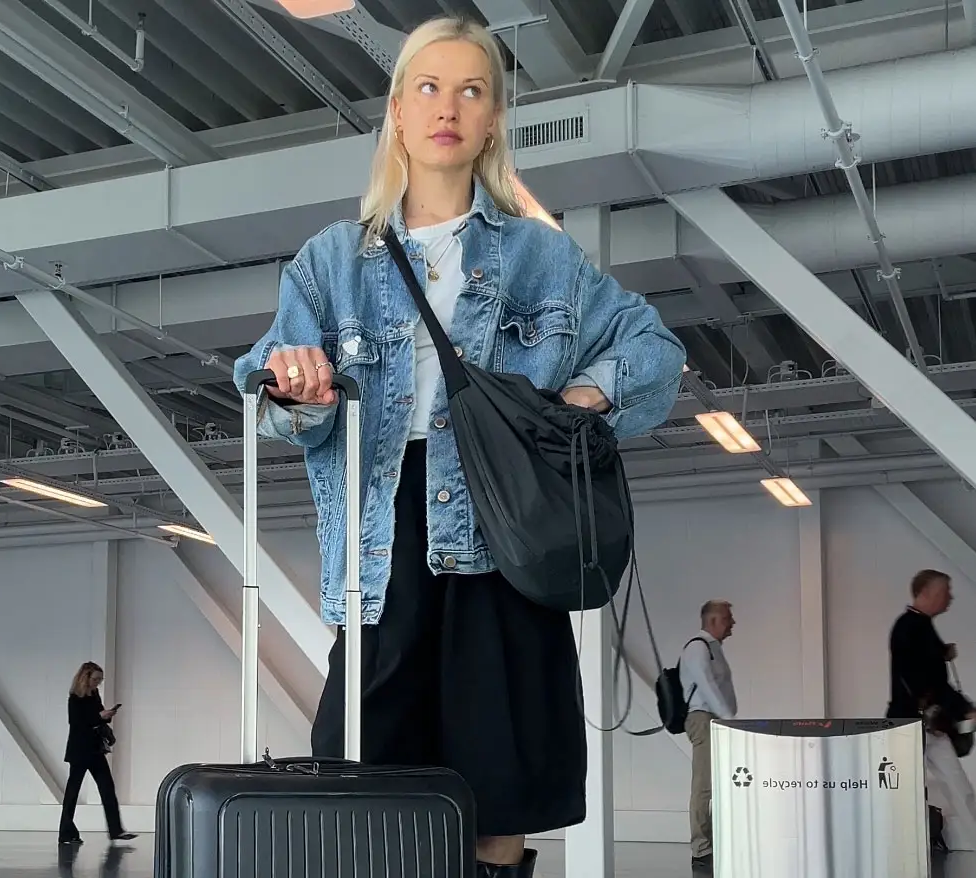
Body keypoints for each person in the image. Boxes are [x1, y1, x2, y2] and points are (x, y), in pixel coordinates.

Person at [232, 16, 685, 875]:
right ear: (398, 114)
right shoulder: (329, 262)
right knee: (358, 806)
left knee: (494, 813)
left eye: (472, 91)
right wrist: (296, 385)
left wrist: (574, 403)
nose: (449, 107)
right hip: (381, 550)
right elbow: (270, 394)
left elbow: (656, 353)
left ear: (491, 121)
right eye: (429, 88)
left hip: (502, 542)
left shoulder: (542, 260)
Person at [887, 569, 976, 851]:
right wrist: (963, 708)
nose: (949, 598)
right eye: (944, 592)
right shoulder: (910, 627)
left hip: (924, 723)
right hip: (911, 725)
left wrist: (941, 653)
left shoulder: (919, 626)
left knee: (957, 785)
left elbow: (928, 675)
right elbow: (926, 680)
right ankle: (898, 848)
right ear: (925, 593)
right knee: (905, 790)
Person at [678, 600, 738, 872]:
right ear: (713, 621)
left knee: (714, 785)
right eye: (728, 619)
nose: (732, 624)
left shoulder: (712, 650)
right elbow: (708, 686)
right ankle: (701, 848)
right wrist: (730, 720)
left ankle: (711, 841)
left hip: (713, 719)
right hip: (703, 719)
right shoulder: (697, 649)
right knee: (703, 786)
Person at [57, 662, 134, 846]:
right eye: (96, 679)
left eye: (100, 680)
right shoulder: (75, 698)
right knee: (72, 793)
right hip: (79, 751)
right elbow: (76, 723)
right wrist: (100, 717)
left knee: (107, 788)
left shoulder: (94, 694)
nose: (98, 683)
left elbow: (96, 716)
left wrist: (106, 715)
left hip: (94, 749)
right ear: (86, 678)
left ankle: (116, 830)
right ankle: (66, 832)